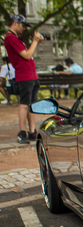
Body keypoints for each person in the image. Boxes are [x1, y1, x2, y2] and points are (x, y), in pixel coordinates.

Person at [4, 14, 44, 144]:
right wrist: (34, 41)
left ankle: (32, 131)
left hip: (31, 75)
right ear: (15, 23)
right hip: (24, 75)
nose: (24, 28)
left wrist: (36, 43)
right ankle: (23, 131)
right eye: (22, 25)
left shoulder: (17, 38)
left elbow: (30, 54)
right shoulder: (10, 38)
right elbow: (26, 55)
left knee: (31, 105)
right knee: (24, 104)